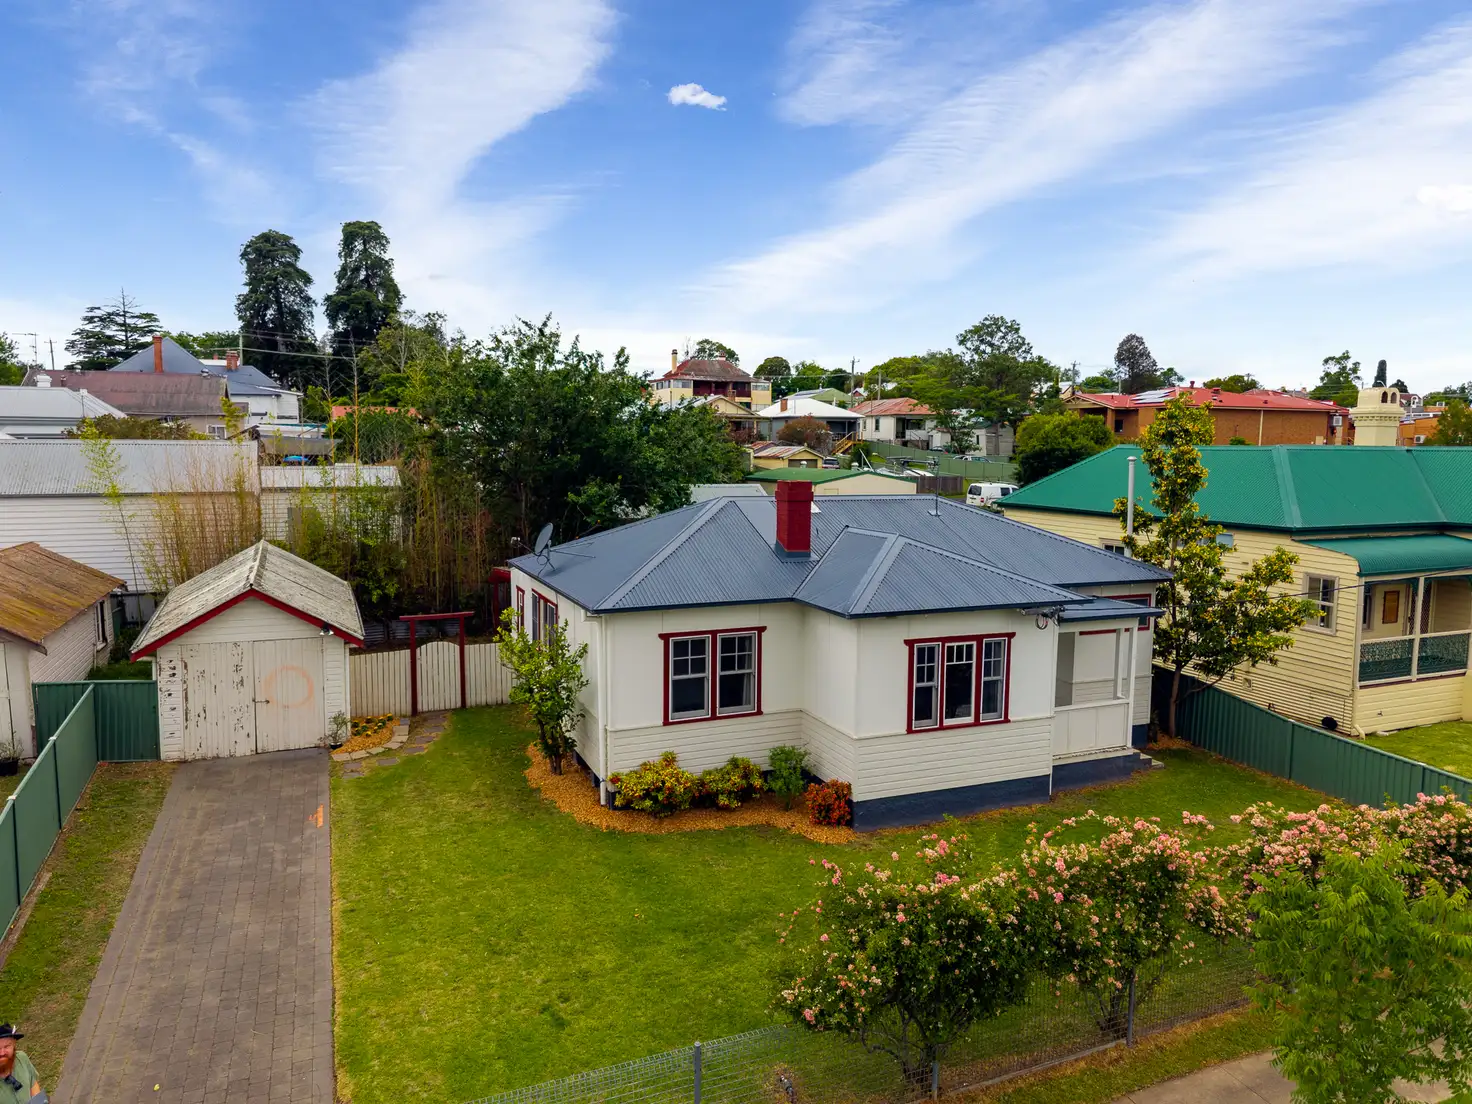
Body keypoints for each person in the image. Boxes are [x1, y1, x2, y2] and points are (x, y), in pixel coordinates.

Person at [0, 1026, 43, 1102]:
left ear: (14, 1044)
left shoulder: (22, 1058)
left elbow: (33, 1085)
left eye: (6, 1046)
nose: (2, 1053)